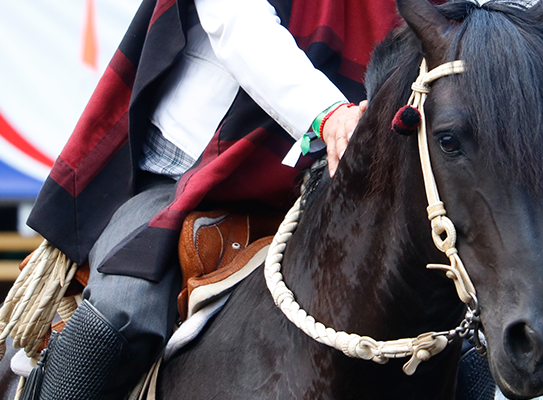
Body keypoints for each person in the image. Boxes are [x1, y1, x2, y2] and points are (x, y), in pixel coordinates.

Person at [22, 0, 400, 398]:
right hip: (184, 178)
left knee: (454, 339)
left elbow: (453, 38)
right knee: (120, 314)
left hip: (353, 195)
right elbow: (239, 21)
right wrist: (329, 115)